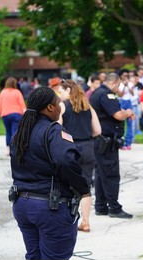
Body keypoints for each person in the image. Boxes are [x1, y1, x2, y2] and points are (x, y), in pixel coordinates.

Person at [10, 87, 90, 259]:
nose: (61, 106)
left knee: (35, 258)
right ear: (50, 107)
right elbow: (66, 161)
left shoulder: (20, 133)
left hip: (22, 203)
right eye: (58, 103)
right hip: (49, 207)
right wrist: (83, 188)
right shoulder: (54, 131)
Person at [89, 73, 136, 219]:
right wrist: (128, 112)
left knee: (100, 173)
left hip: (100, 140)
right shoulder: (106, 95)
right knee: (110, 174)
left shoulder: (97, 93)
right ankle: (114, 208)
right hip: (106, 141)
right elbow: (117, 115)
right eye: (119, 84)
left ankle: (101, 206)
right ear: (114, 83)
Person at [58, 79, 101, 232]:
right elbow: (97, 130)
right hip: (88, 148)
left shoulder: (62, 107)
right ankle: (86, 222)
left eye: (61, 91)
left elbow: (58, 131)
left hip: (71, 149)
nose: (59, 94)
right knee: (85, 186)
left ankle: (67, 221)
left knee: (67, 185)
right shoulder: (87, 106)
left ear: (68, 91)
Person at [0, 77, 26, 155]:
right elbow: (22, 105)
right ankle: (14, 149)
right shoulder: (17, 92)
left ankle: (8, 149)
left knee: (8, 132)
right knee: (14, 132)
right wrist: (26, 114)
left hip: (5, 115)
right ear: (14, 83)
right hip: (16, 115)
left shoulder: (2, 92)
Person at [117, 69, 134, 150]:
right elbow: (120, 94)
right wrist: (124, 86)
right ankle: (121, 143)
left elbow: (132, 93)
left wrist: (127, 85)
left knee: (130, 123)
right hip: (121, 102)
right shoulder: (119, 84)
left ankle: (128, 142)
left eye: (127, 75)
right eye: (124, 75)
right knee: (121, 124)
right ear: (121, 76)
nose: (126, 77)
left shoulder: (130, 83)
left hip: (129, 102)